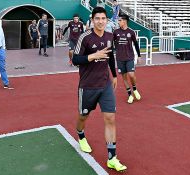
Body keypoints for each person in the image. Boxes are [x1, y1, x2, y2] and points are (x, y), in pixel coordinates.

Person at [72, 7, 127, 172]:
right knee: (83, 116)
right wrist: (92, 56)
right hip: (88, 85)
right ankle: (80, 134)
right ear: (92, 20)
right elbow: (75, 59)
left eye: (103, 18)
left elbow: (109, 56)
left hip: (105, 84)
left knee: (110, 118)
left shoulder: (110, 36)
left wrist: (115, 76)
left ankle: (112, 158)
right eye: (97, 18)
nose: (101, 21)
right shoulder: (85, 37)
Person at [113, 14, 141, 104]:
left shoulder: (131, 32)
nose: (118, 22)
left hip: (129, 57)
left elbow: (136, 44)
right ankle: (130, 95)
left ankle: (135, 89)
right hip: (120, 58)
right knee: (124, 78)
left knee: (131, 75)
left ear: (124, 21)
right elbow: (110, 43)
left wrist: (139, 56)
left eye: (119, 20)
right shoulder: (115, 32)